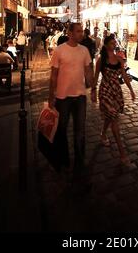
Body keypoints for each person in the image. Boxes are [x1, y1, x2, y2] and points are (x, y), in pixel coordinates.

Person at [48, 22, 96, 185]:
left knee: (80, 132)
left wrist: (94, 89)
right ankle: (65, 160)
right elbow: (53, 75)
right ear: (70, 33)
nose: (81, 33)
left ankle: (79, 162)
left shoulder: (84, 50)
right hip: (63, 97)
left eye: (82, 31)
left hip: (80, 96)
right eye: (78, 31)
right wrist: (51, 96)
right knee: (62, 130)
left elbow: (88, 72)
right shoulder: (59, 50)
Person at [93, 35, 136, 166]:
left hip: (116, 91)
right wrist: (93, 91)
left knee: (109, 117)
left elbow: (124, 76)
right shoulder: (101, 60)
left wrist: (131, 90)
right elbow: (95, 77)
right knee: (114, 118)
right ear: (106, 45)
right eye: (111, 43)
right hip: (105, 91)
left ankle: (103, 134)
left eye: (114, 43)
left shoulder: (119, 59)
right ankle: (123, 154)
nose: (114, 45)